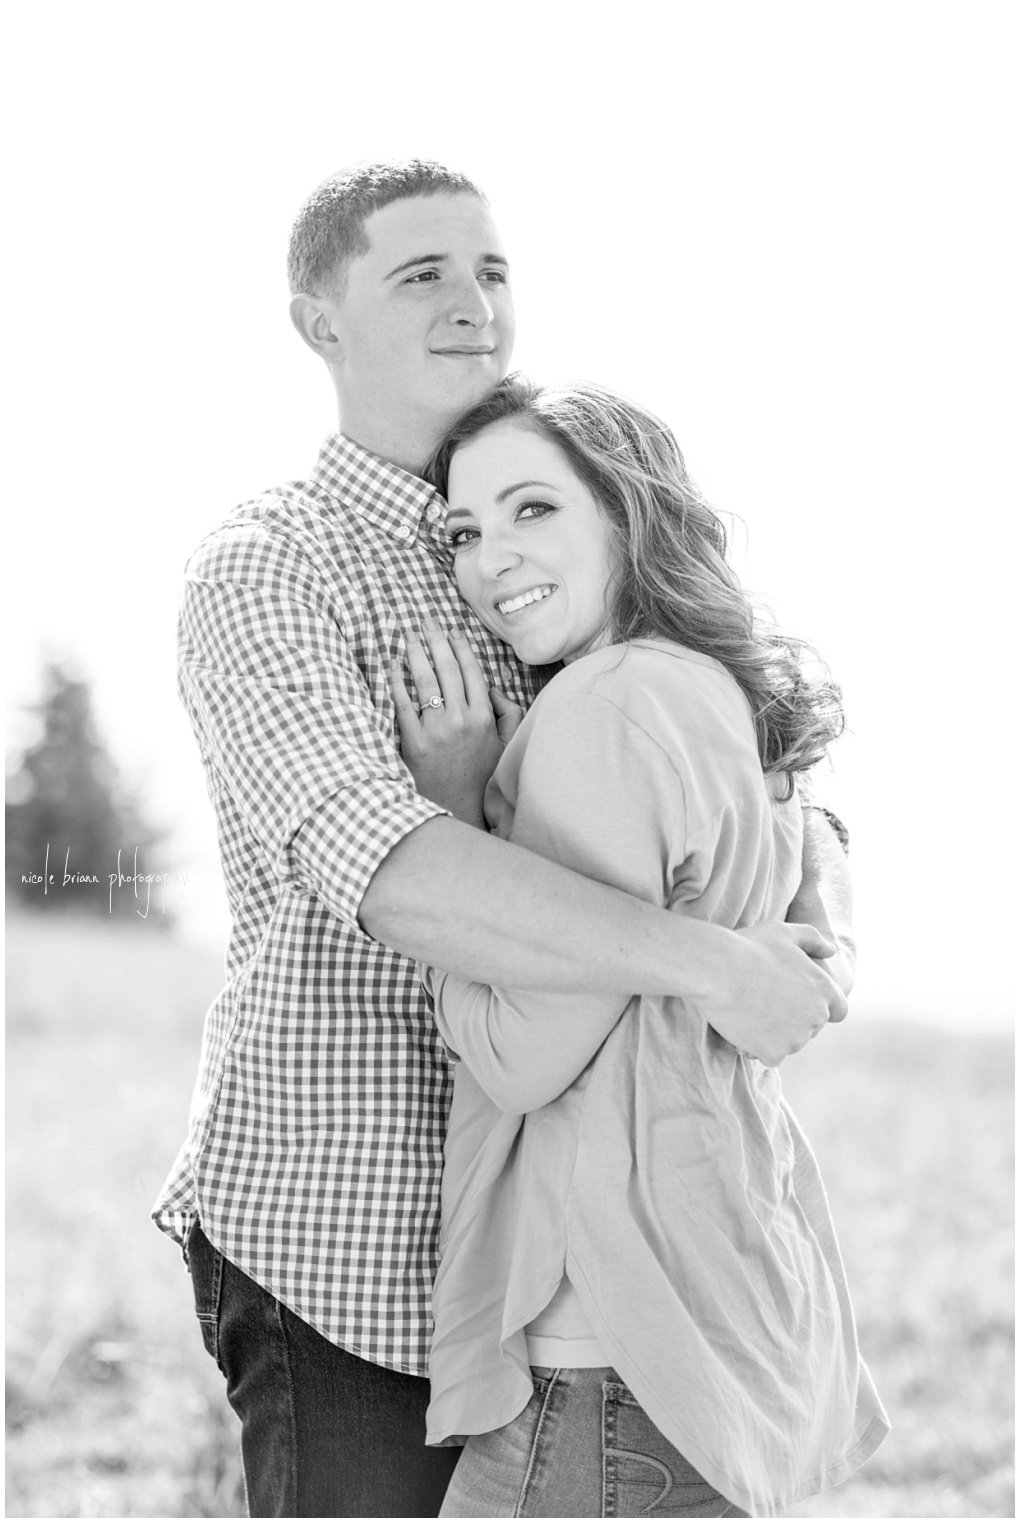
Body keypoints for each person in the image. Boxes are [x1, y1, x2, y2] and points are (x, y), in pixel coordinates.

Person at [152, 159, 852, 1519]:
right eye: (422, 273)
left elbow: (774, 781)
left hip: (562, 1252)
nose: (473, 302)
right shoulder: (270, 564)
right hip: (349, 1227)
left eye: (491, 270)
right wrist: (720, 962)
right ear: (320, 321)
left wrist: (816, 949)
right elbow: (393, 870)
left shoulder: (552, 511)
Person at [389, 375, 889, 1518]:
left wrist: (455, 819)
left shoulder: (605, 708)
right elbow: (819, 914)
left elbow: (521, 1055)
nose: (490, 559)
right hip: (715, 1302)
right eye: (464, 531)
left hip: (603, 1351)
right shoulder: (718, 692)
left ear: (629, 513)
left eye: (533, 508)